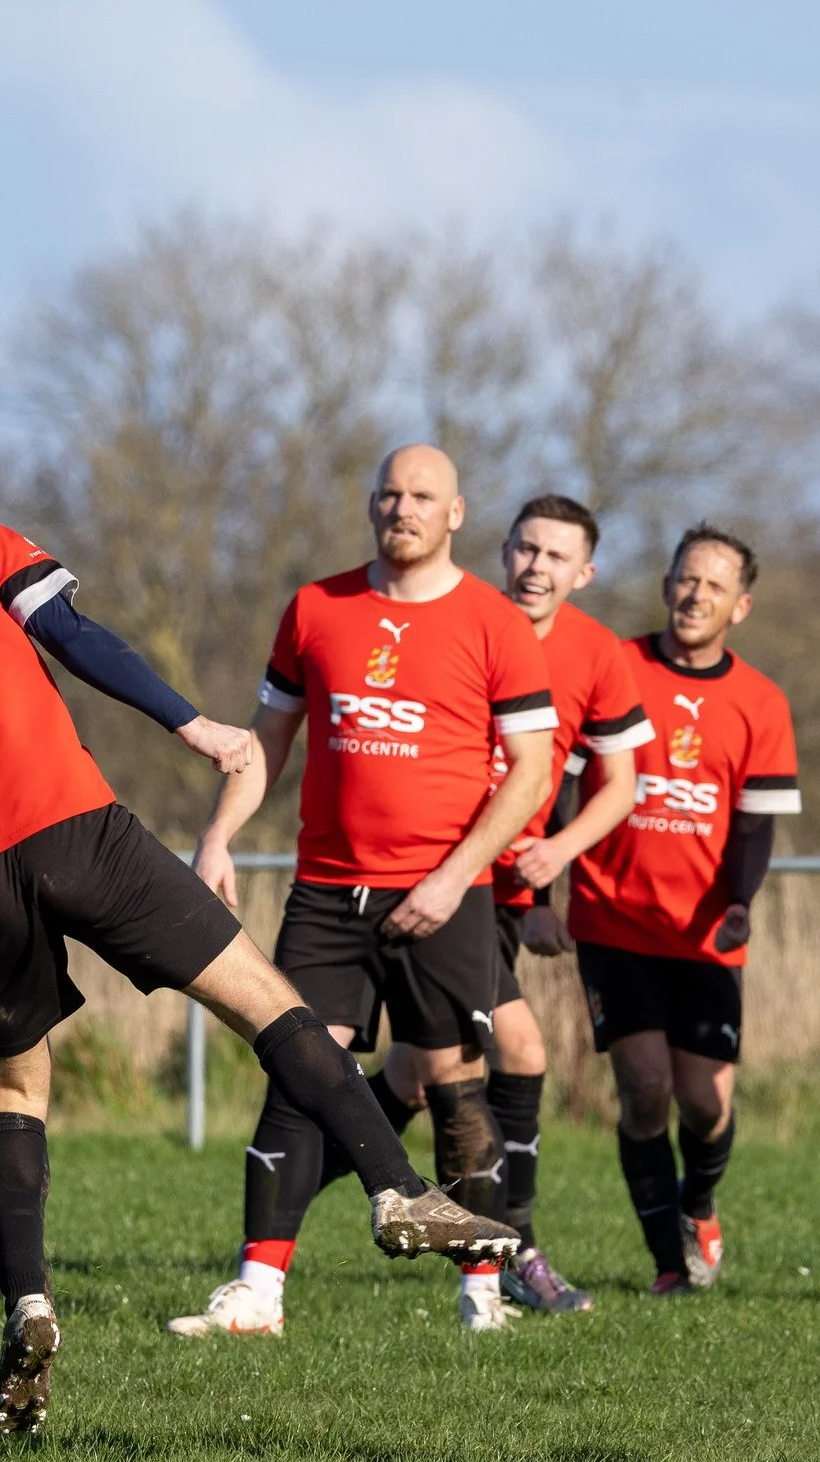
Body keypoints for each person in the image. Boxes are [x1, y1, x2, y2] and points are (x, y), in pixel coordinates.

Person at [0, 466, 519, 1434]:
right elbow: (75, 638)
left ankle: (29, 1303)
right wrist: (195, 724)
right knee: (267, 1001)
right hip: (78, 830)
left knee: (12, 1091)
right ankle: (395, 1191)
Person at [167, 443, 560, 1337]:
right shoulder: (315, 607)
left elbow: (531, 772)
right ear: (370, 504)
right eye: (389, 494)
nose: (403, 509)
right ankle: (257, 1294)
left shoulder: (496, 623)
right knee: (299, 1071)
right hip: (328, 892)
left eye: (423, 496)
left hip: (444, 893)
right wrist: (218, 836)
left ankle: (480, 1291)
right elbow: (269, 741)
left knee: (456, 1091)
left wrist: (458, 876)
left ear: (455, 514)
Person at [385, 494, 650, 1314]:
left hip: (503, 893)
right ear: (502, 550)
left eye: (555, 556)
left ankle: (282, 1202)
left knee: (406, 1078)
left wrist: (553, 864)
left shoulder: (599, 653)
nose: (536, 567)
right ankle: (513, 1248)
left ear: (584, 572)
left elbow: (621, 785)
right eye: (525, 549)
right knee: (514, 1053)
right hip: (440, 884)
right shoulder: (457, 619)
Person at [566, 525, 799, 1295]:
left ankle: (698, 1200)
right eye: (685, 578)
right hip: (612, 919)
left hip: (703, 936)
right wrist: (539, 888)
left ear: (741, 606)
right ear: (667, 586)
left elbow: (755, 825)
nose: (695, 594)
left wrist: (739, 903)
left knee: (703, 1103)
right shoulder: (613, 666)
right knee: (645, 1087)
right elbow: (563, 783)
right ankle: (669, 1262)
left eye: (713, 585)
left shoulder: (761, 701)